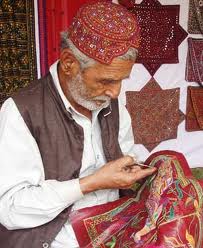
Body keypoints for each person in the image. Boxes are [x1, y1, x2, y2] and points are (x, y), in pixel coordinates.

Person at [0, 1, 156, 248]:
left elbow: (124, 158)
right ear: (69, 62)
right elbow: (9, 209)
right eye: (107, 80)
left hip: (110, 236)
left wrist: (141, 172)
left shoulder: (112, 104)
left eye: (121, 80)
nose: (115, 92)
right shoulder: (21, 112)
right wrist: (91, 183)